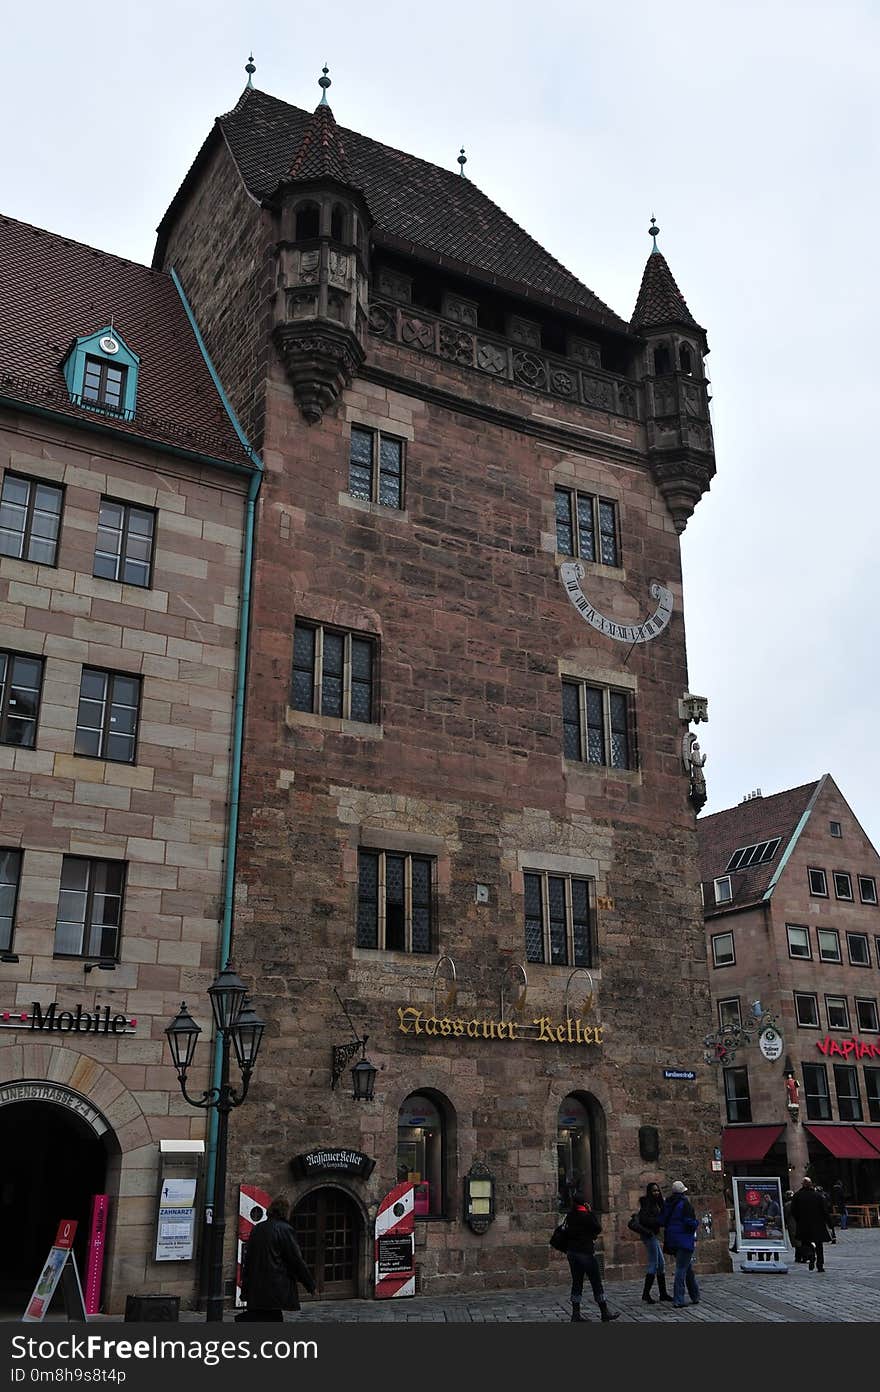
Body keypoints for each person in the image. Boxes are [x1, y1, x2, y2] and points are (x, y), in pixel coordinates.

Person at [237, 1195, 315, 1321]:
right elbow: (296, 1260)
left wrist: (245, 1289)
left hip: (255, 1288)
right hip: (274, 1288)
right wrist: (310, 1285)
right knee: (273, 1319)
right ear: (285, 1212)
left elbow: (248, 1260)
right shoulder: (285, 1229)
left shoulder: (257, 1228)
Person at [565, 1190, 620, 1322]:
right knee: (596, 1282)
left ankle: (575, 1313)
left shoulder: (570, 1215)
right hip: (585, 1252)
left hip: (572, 1252)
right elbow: (597, 1228)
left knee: (577, 1282)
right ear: (584, 1203)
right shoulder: (585, 1215)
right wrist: (590, 1212)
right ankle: (604, 1311)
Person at [660, 1180, 700, 1308]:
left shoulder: (668, 1203)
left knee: (687, 1268)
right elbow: (689, 1221)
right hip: (684, 1239)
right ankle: (678, 1299)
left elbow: (663, 1219)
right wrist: (696, 1224)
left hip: (672, 1239)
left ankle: (695, 1295)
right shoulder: (684, 1204)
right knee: (681, 1269)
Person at [635, 1182, 674, 1303]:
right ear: (649, 1192)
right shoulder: (647, 1204)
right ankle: (646, 1294)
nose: (656, 1193)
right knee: (654, 1263)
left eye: (657, 1190)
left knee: (661, 1264)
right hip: (649, 1235)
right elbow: (644, 1219)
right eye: (654, 1191)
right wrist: (657, 1221)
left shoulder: (658, 1203)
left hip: (654, 1235)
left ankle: (663, 1293)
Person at [790, 1177, 831, 1272]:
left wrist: (798, 1220)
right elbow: (825, 1210)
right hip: (818, 1224)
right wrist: (829, 1223)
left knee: (805, 1242)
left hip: (803, 1224)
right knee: (819, 1245)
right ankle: (820, 1265)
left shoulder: (797, 1196)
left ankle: (810, 1255)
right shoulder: (818, 1196)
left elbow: (793, 1211)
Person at [783, 1189, 805, 1262]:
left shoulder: (788, 1204)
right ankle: (800, 1256)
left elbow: (786, 1215)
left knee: (796, 1241)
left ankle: (800, 1256)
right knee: (799, 1240)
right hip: (800, 1223)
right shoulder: (799, 1203)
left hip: (792, 1224)